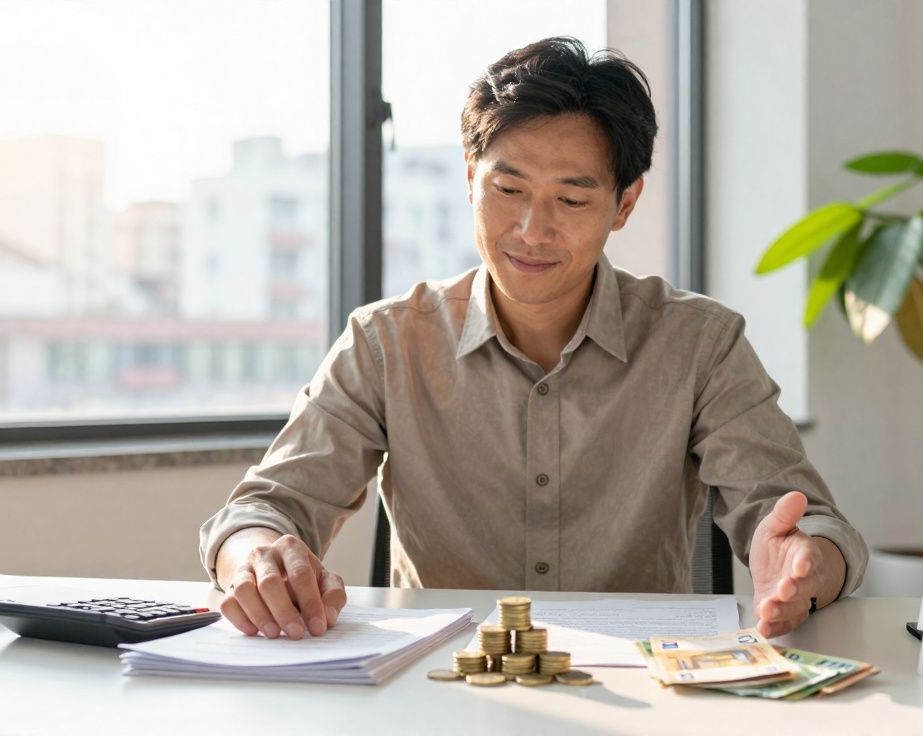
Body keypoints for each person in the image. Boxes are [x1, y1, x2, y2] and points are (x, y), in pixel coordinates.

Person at [199, 36, 867, 643]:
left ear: (624, 203)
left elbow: (812, 523)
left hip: (642, 690)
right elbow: (263, 510)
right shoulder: (385, 343)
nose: (531, 230)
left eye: (572, 200)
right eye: (508, 188)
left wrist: (806, 562)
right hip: (439, 689)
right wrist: (258, 557)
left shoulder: (700, 345)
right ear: (470, 177)